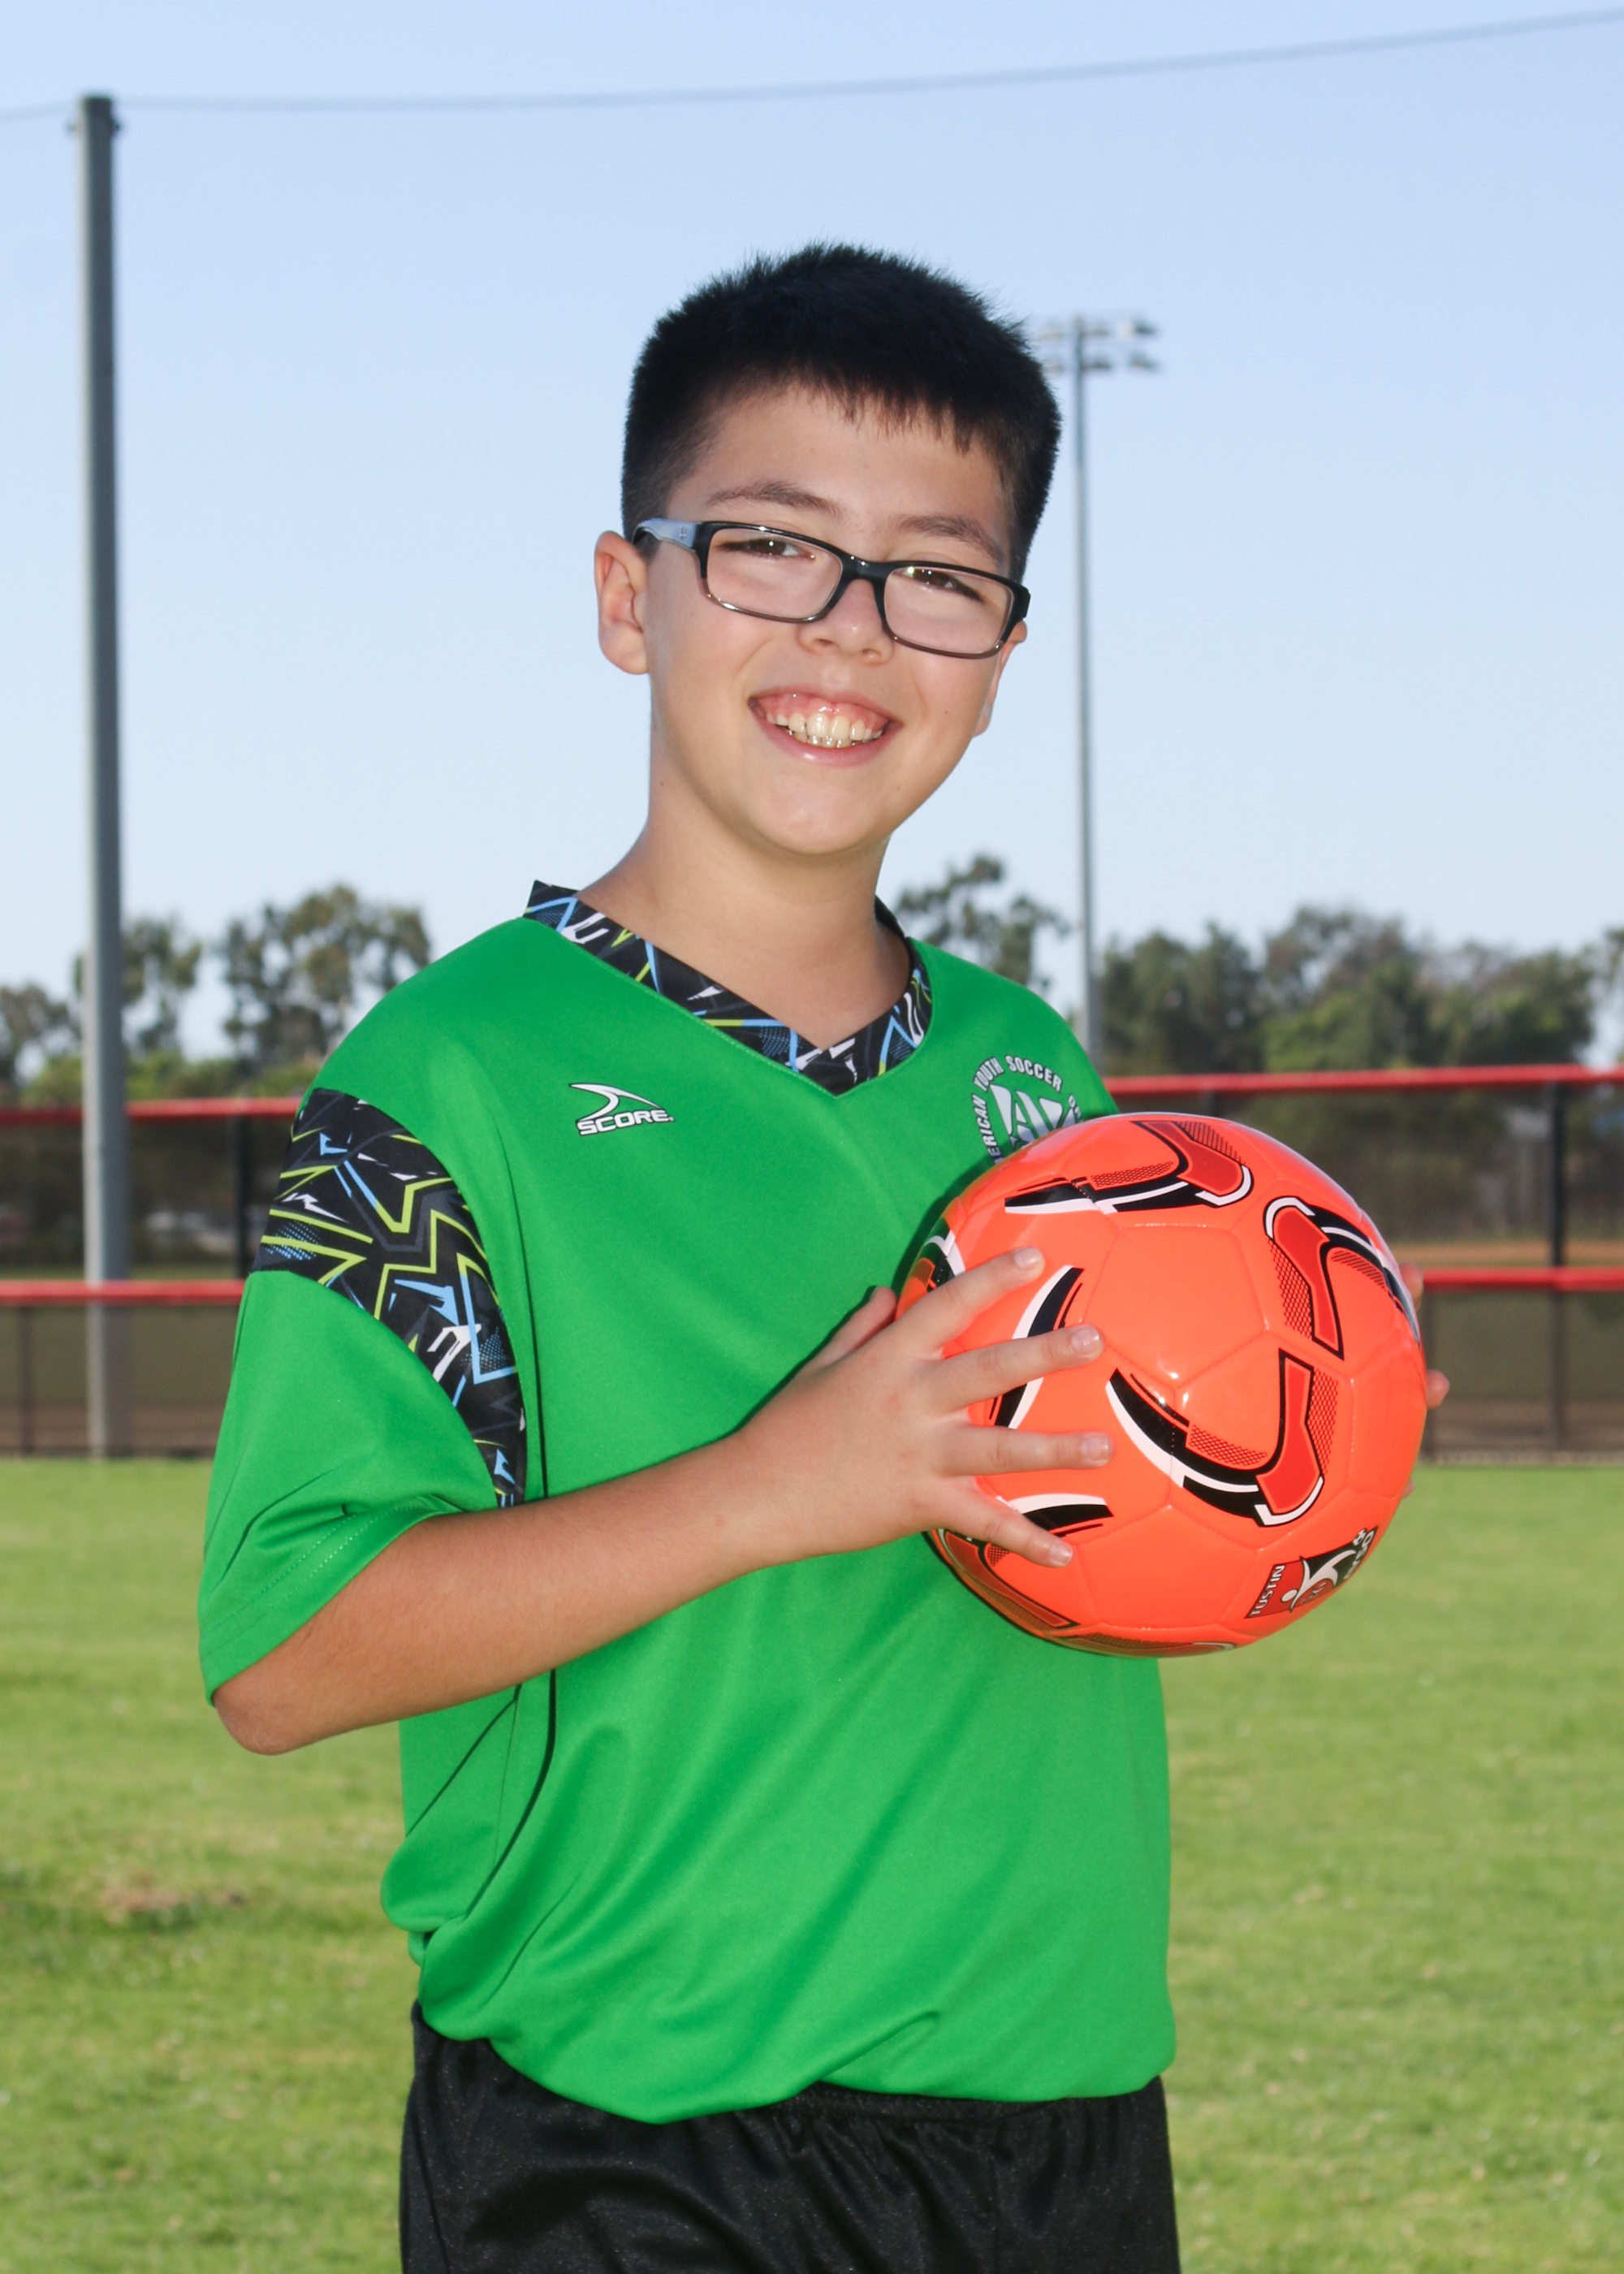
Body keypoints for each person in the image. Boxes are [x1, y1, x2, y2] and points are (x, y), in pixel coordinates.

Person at [201, 244, 1182, 2272]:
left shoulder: (1036, 1077)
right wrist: (769, 1489)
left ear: (1003, 647)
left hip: (1062, 2113)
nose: (852, 627)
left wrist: (1258, 1450)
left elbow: (1067, 1517)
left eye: (937, 573)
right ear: (628, 594)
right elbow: (282, 1654)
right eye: (774, 546)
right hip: (639, 2141)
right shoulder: (445, 1078)